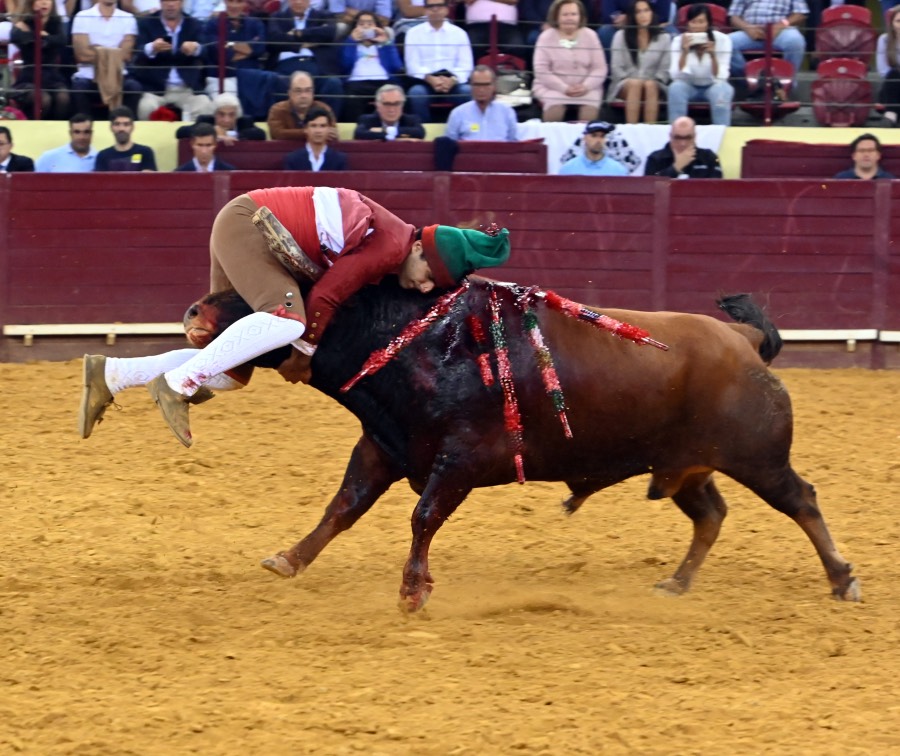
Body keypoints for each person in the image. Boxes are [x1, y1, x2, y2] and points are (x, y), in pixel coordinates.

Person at [78, 186, 512, 447]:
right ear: (419, 249)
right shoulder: (392, 246)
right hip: (249, 227)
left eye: (430, 287)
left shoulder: (394, 244)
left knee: (231, 373)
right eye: (427, 276)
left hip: (251, 228)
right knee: (288, 320)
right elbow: (326, 294)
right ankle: (178, 383)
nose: (422, 287)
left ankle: (113, 374)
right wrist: (303, 353)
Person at [132, 0, 214, 121]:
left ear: (182, 3)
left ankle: (192, 139)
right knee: (145, 107)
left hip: (186, 89)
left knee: (205, 105)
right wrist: (152, 48)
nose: (171, 4)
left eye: (174, 0)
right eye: (166, 0)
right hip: (156, 89)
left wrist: (195, 48)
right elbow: (137, 54)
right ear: (160, 3)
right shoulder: (146, 23)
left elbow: (205, 52)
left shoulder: (193, 24)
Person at [532, 0, 607, 122]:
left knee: (589, 112)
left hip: (586, 89)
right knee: (555, 109)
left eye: (573, 14)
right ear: (556, 16)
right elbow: (541, 71)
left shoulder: (591, 35)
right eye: (565, 15)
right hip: (553, 88)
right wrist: (563, 88)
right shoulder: (546, 37)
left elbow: (600, 68)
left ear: (580, 16)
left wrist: (586, 86)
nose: (569, 18)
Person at [403, 0, 474, 124]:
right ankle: (424, 134)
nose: (435, 9)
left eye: (439, 6)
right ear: (425, 10)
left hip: (453, 82)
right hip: (425, 82)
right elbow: (412, 66)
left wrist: (452, 80)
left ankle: (464, 132)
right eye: (431, 6)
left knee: (467, 91)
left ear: (447, 9)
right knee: (416, 94)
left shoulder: (460, 33)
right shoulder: (413, 33)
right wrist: (430, 79)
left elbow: (466, 66)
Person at [70, 0, 143, 117]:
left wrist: (96, 49)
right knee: (79, 88)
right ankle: (84, 129)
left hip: (118, 76)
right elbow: (82, 55)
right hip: (89, 76)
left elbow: (126, 55)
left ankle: (125, 128)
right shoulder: (82, 16)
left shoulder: (128, 18)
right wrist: (114, 52)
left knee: (134, 88)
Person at [668, 3, 733, 126]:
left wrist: (713, 55)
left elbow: (722, 76)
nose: (697, 26)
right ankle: (677, 132)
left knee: (722, 91)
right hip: (688, 86)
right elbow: (675, 76)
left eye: (701, 22)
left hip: (713, 85)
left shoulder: (723, 40)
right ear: (688, 24)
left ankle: (723, 133)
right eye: (693, 22)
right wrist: (685, 52)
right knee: (675, 88)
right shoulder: (678, 41)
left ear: (708, 24)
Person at [608, 0, 670, 124]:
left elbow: (664, 69)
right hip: (625, 85)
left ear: (652, 13)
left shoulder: (664, 38)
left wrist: (649, 81)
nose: (643, 15)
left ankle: (649, 131)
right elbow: (616, 68)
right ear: (632, 16)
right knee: (635, 84)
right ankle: (632, 131)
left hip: (653, 85)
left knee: (650, 85)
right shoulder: (620, 36)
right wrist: (633, 81)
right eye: (638, 12)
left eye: (646, 10)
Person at [339, 10, 403, 124]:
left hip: (383, 82)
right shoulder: (350, 43)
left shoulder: (384, 44)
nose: (366, 27)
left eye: (370, 24)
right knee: (351, 100)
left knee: (393, 95)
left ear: (377, 27)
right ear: (354, 27)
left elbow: (396, 66)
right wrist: (351, 41)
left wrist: (386, 42)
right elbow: (345, 64)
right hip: (356, 84)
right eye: (361, 24)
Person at [10, 0, 71, 120]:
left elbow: (62, 40)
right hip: (29, 77)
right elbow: (18, 38)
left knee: (63, 97)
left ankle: (56, 130)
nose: (44, 3)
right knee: (43, 99)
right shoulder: (24, 22)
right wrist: (42, 36)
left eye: (48, 0)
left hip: (52, 76)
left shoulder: (56, 23)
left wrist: (45, 37)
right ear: (32, 3)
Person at [727, 0, 807, 82]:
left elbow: (800, 14)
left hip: (782, 31)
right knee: (727, 42)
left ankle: (786, 85)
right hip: (750, 31)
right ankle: (748, 81)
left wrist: (780, 25)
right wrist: (747, 28)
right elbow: (734, 16)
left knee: (795, 41)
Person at [444, 65, 518, 142]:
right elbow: (448, 146)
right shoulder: (458, 113)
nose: (481, 90)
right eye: (477, 85)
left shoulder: (507, 112)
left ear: (494, 86)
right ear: (471, 86)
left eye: (486, 85)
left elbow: (513, 144)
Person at [267, 70, 339, 140]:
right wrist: (308, 132)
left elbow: (332, 134)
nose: (304, 96)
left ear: (313, 92)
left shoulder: (324, 109)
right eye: (298, 91)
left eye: (308, 90)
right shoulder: (277, 110)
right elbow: (277, 134)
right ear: (289, 93)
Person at [643, 115, 722, 178]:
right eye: (678, 138)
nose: (682, 143)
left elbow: (718, 190)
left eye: (687, 138)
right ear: (670, 136)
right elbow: (650, 188)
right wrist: (676, 167)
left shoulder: (709, 158)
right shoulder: (655, 159)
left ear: (694, 137)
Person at [175, 93, 267, 142]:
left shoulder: (245, 121)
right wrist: (211, 132)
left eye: (231, 115)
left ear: (237, 115)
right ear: (214, 114)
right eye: (221, 114)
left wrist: (232, 135)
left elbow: (261, 134)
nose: (226, 120)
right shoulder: (205, 120)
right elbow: (180, 132)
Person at [94, 106, 158, 171]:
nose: (121, 129)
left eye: (126, 124)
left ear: (132, 127)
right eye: (117, 124)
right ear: (111, 127)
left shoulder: (145, 152)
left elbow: (150, 180)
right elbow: (100, 181)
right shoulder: (102, 156)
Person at [353, 83, 426, 140]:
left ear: (402, 105)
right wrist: (399, 135)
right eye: (387, 104)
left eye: (396, 104)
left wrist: (386, 131)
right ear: (377, 105)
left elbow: (420, 133)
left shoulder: (412, 120)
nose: (392, 109)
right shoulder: (367, 120)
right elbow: (359, 133)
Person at [284, 106, 348, 169]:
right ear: (305, 129)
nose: (318, 131)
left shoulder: (340, 159)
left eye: (323, 126)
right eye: (313, 126)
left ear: (329, 129)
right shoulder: (292, 159)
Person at [558, 120, 629, 176]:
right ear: (584, 138)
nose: (598, 140)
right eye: (594, 136)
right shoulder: (568, 169)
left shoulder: (618, 170)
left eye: (602, 136)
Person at [876, 6, 900, 128]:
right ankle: (892, 112)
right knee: (893, 73)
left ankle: (891, 114)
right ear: (892, 23)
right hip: (892, 85)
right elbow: (883, 70)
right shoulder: (884, 39)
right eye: (898, 21)